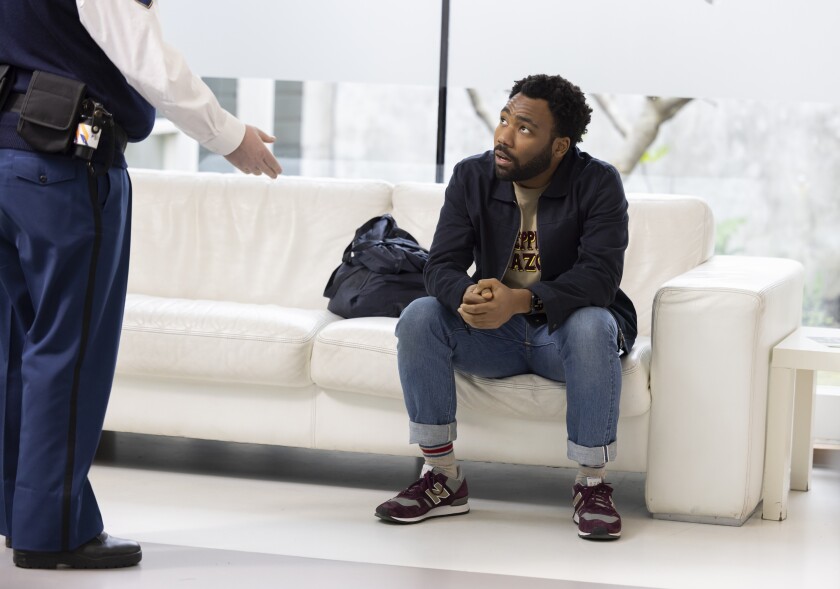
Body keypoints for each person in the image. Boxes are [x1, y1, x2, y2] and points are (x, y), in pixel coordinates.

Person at [0, 0, 281, 569]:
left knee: (16, 349)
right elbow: (145, 58)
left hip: (5, 156)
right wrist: (229, 135)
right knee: (69, 352)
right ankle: (51, 532)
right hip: (62, 167)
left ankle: (17, 512)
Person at [375, 74, 637, 541]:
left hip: (561, 336)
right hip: (494, 336)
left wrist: (521, 300)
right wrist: (465, 295)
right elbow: (441, 265)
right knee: (420, 316)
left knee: (594, 325)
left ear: (559, 146)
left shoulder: (598, 183)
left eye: (524, 128)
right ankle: (442, 478)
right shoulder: (472, 176)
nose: (503, 135)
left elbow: (600, 277)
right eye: (503, 120)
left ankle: (592, 485)